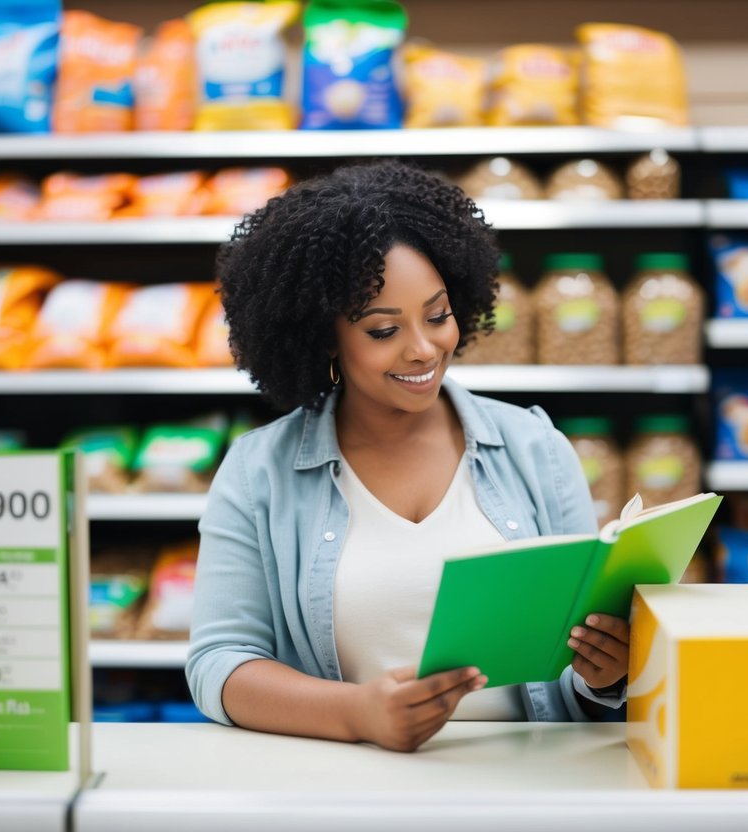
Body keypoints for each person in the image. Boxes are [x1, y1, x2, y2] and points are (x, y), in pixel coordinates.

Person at [188, 160, 628, 753]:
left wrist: (606, 675)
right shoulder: (257, 472)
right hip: (343, 794)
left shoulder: (535, 449)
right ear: (324, 335)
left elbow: (573, 682)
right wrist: (358, 714)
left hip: (533, 792)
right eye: (381, 330)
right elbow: (219, 663)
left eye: (437, 314)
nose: (423, 349)